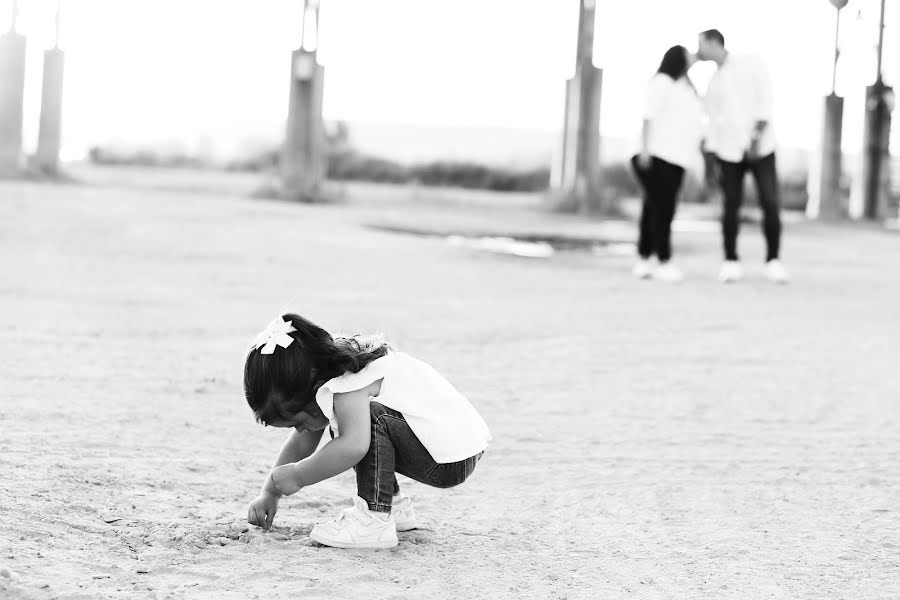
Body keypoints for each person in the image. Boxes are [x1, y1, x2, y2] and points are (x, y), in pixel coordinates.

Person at [243, 314, 491, 549]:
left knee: (359, 427)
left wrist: (298, 476)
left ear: (310, 387)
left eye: (298, 421)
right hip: (453, 447)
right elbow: (301, 444)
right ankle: (392, 504)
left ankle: (373, 519)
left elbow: (353, 447)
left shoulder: (349, 386)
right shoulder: (335, 374)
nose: (300, 429)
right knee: (352, 426)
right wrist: (270, 492)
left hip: (447, 457)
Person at [696, 29, 790, 284]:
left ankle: (773, 261)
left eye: (701, 45)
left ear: (714, 43)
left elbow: (765, 99)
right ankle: (731, 261)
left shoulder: (751, 63)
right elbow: (712, 123)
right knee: (731, 205)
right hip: (729, 152)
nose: (698, 51)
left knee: (770, 202)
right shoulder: (713, 83)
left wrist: (756, 138)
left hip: (761, 149)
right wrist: (712, 160)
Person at [631, 45, 704, 283]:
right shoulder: (662, 82)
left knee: (655, 207)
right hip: (654, 154)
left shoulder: (686, 88)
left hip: (677, 158)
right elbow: (648, 116)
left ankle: (645, 258)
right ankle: (662, 259)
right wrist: (644, 150)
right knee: (663, 208)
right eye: (688, 58)